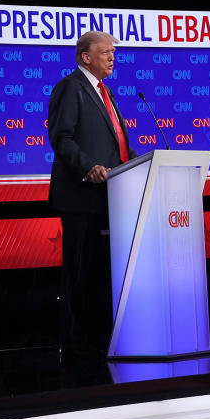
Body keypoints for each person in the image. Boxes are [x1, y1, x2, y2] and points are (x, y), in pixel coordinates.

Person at [48, 31, 136, 358]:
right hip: (81, 198)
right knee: (79, 272)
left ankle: (99, 338)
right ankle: (73, 346)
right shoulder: (70, 87)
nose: (112, 57)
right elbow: (62, 138)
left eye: (114, 52)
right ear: (86, 57)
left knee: (100, 274)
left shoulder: (106, 92)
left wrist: (141, 163)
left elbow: (117, 146)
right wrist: (88, 167)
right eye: (105, 52)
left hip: (109, 198)